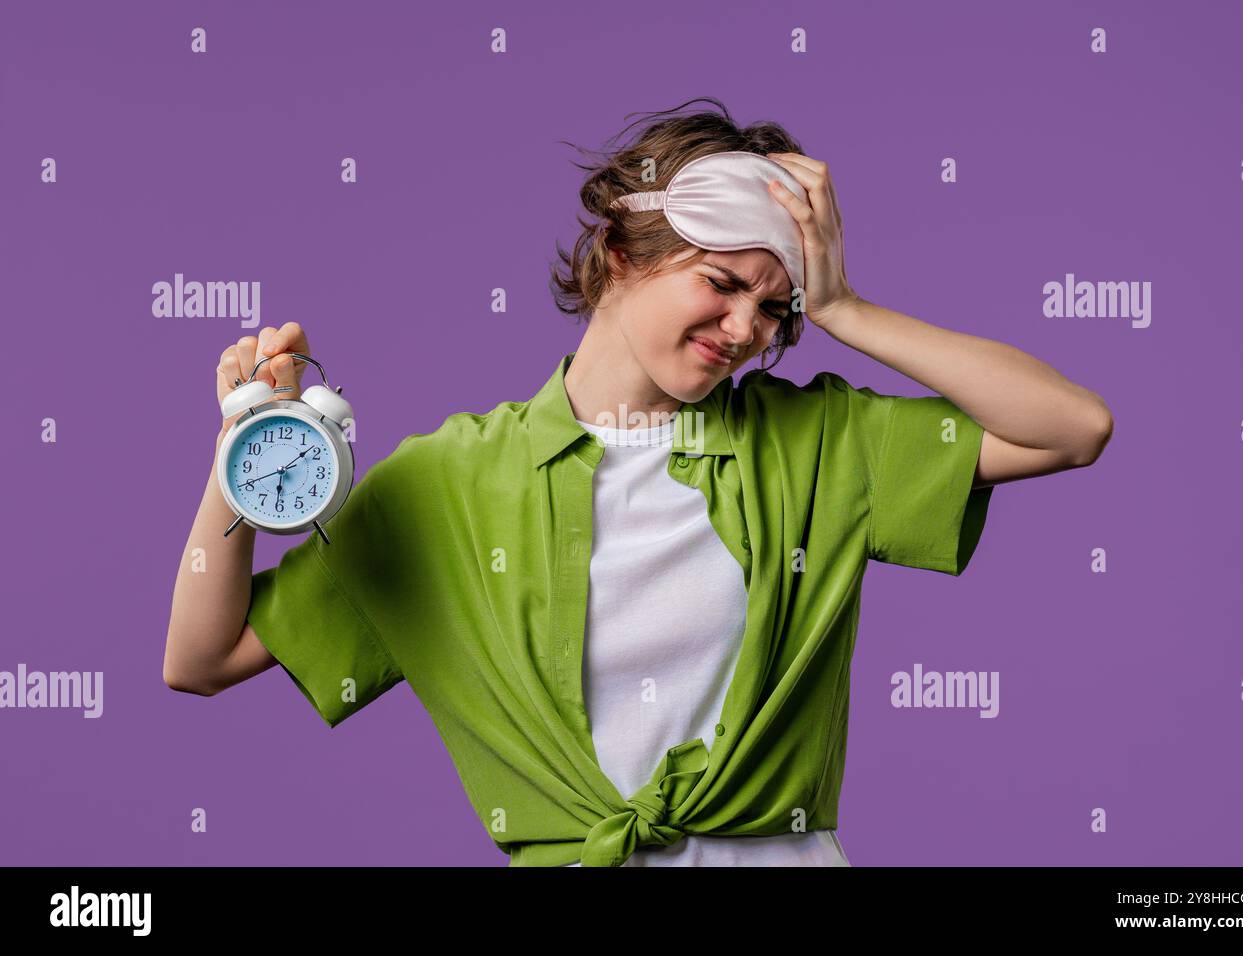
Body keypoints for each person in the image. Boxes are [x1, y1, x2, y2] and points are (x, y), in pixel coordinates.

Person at [163, 100, 1113, 867]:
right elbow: (201, 659)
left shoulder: (817, 442)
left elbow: (1073, 427)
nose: (747, 331)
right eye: (721, 283)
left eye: (775, 308)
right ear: (623, 254)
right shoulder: (451, 485)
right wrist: (245, 448)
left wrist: (844, 308)